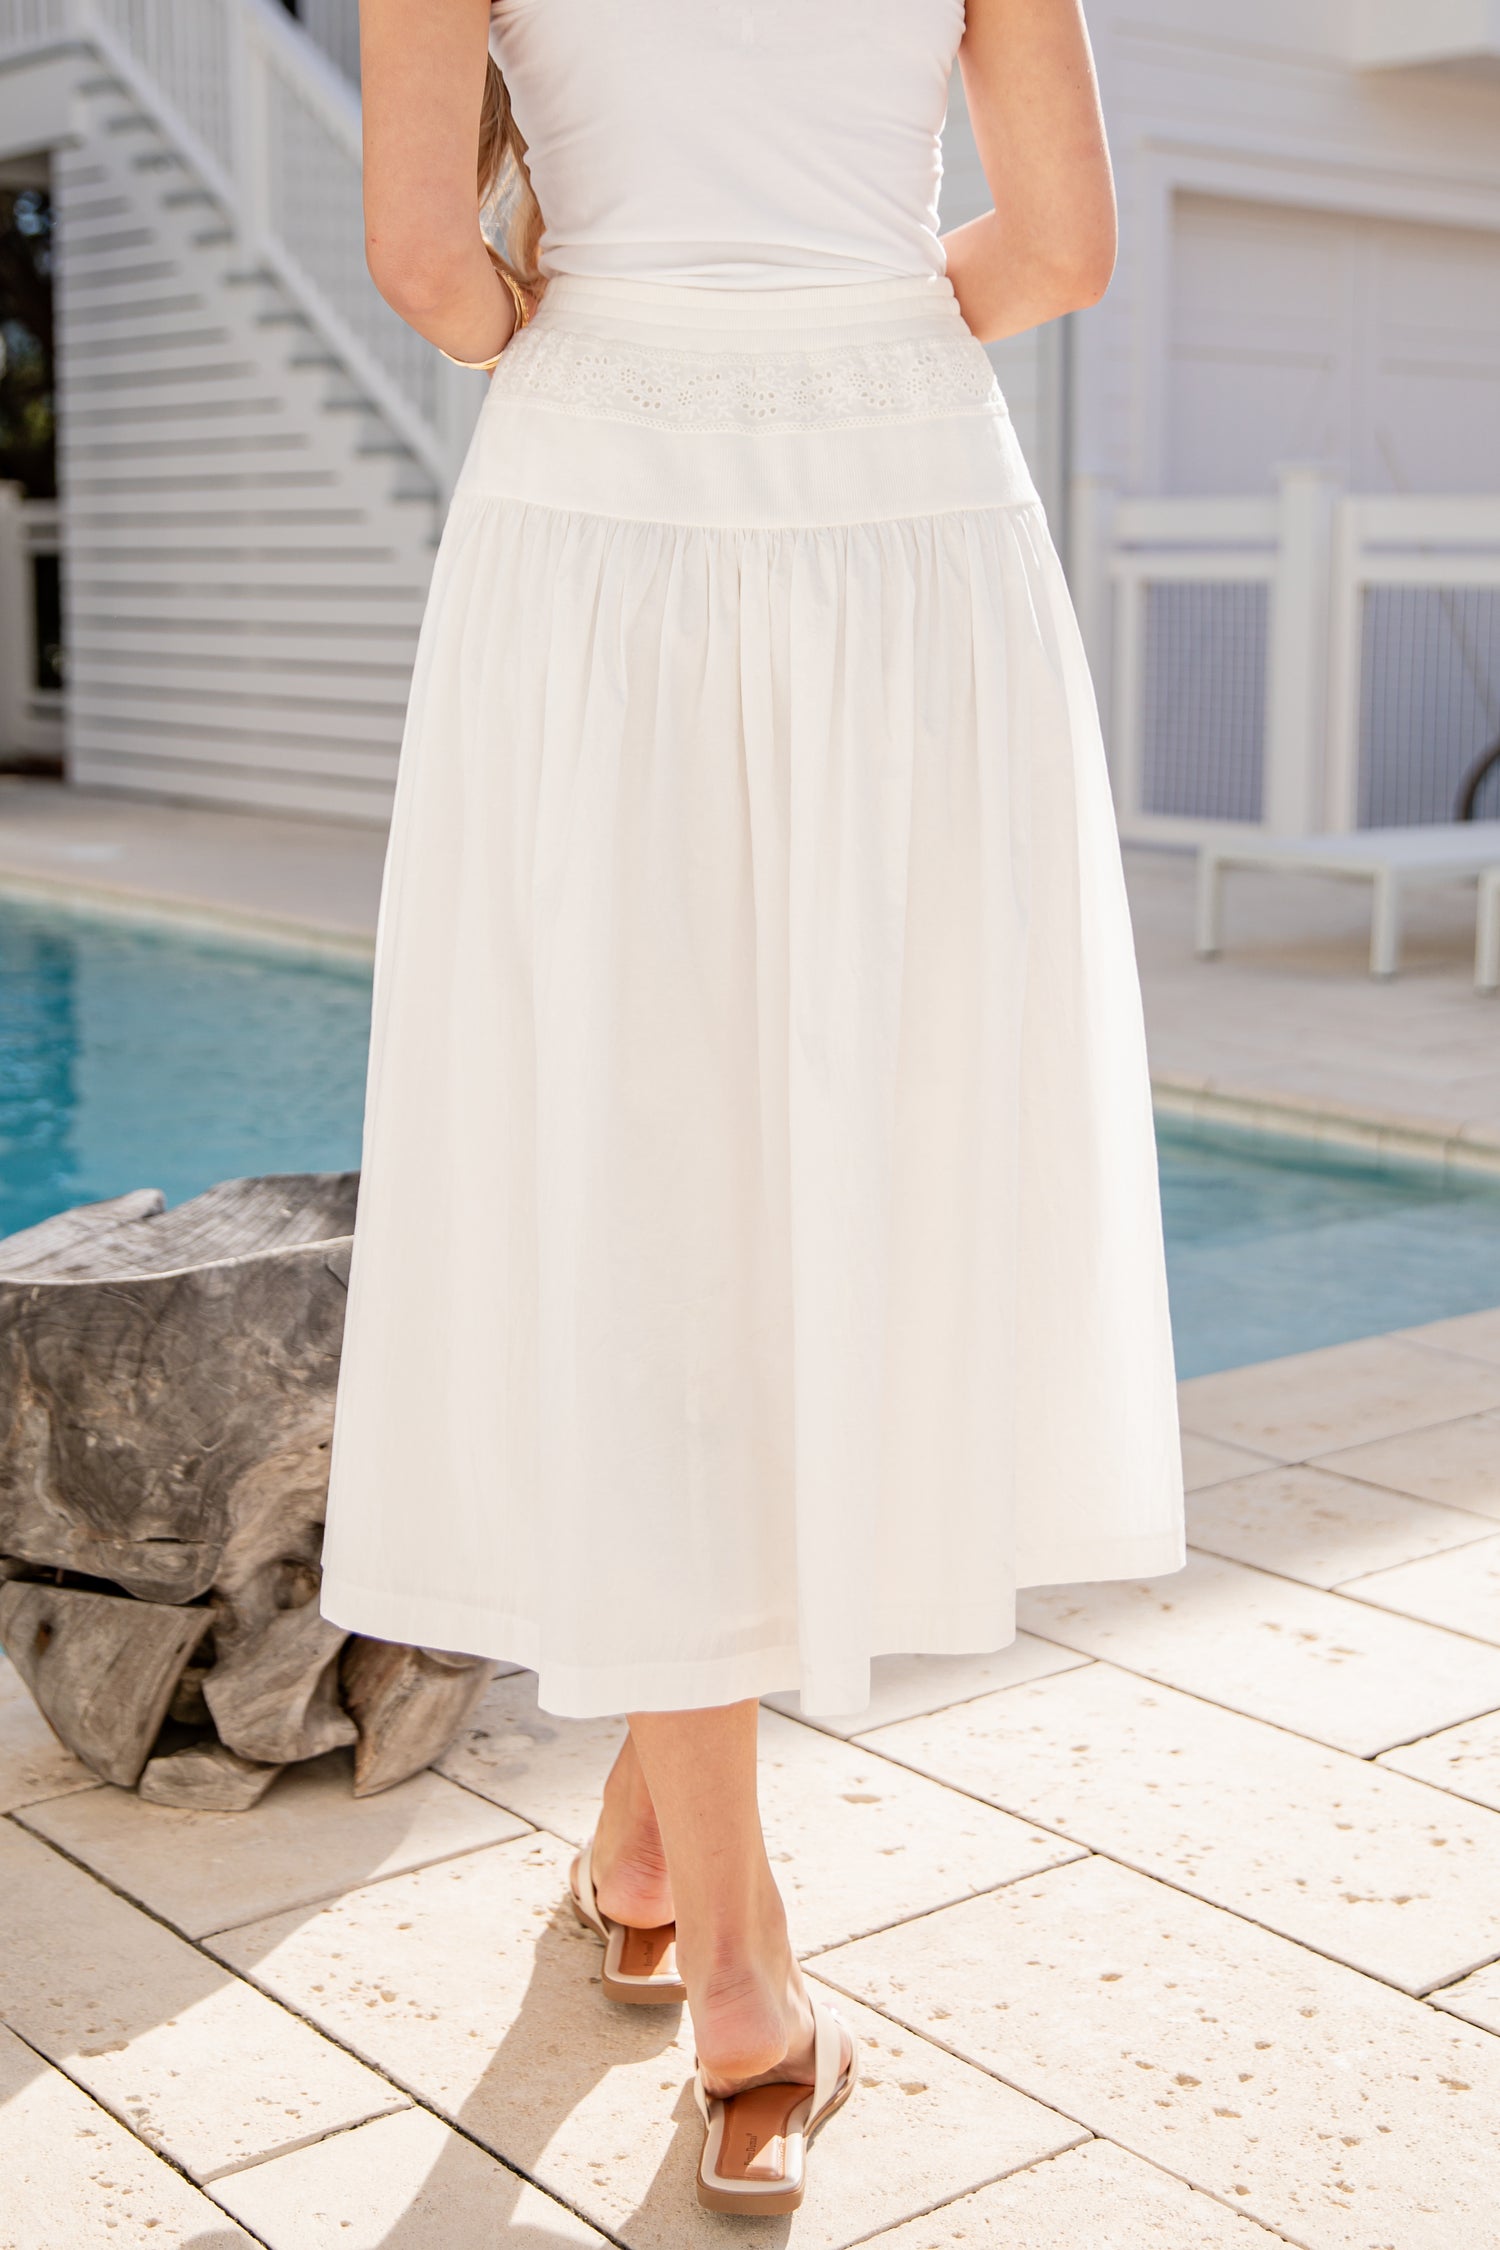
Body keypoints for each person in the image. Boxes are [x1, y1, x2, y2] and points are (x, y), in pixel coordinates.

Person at [322, 0, 1184, 2215]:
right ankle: (735, 1974)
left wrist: (615, 320)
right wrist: (841, 320)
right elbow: (1062, 247)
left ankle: (661, 1878)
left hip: (594, 510)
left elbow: (427, 268)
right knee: (841, 1177)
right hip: (908, 506)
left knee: (644, 1199)